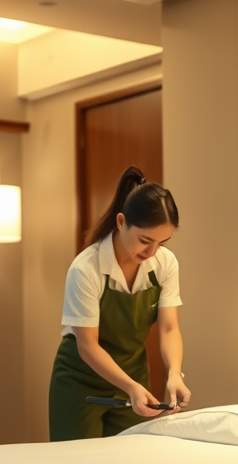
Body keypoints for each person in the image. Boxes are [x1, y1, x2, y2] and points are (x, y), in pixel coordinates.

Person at [48, 165, 191, 440]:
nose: (151, 252)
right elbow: (88, 346)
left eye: (162, 242)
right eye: (144, 241)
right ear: (121, 222)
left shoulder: (164, 264)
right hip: (81, 382)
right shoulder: (86, 269)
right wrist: (129, 386)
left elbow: (169, 328)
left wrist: (175, 373)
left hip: (134, 377)